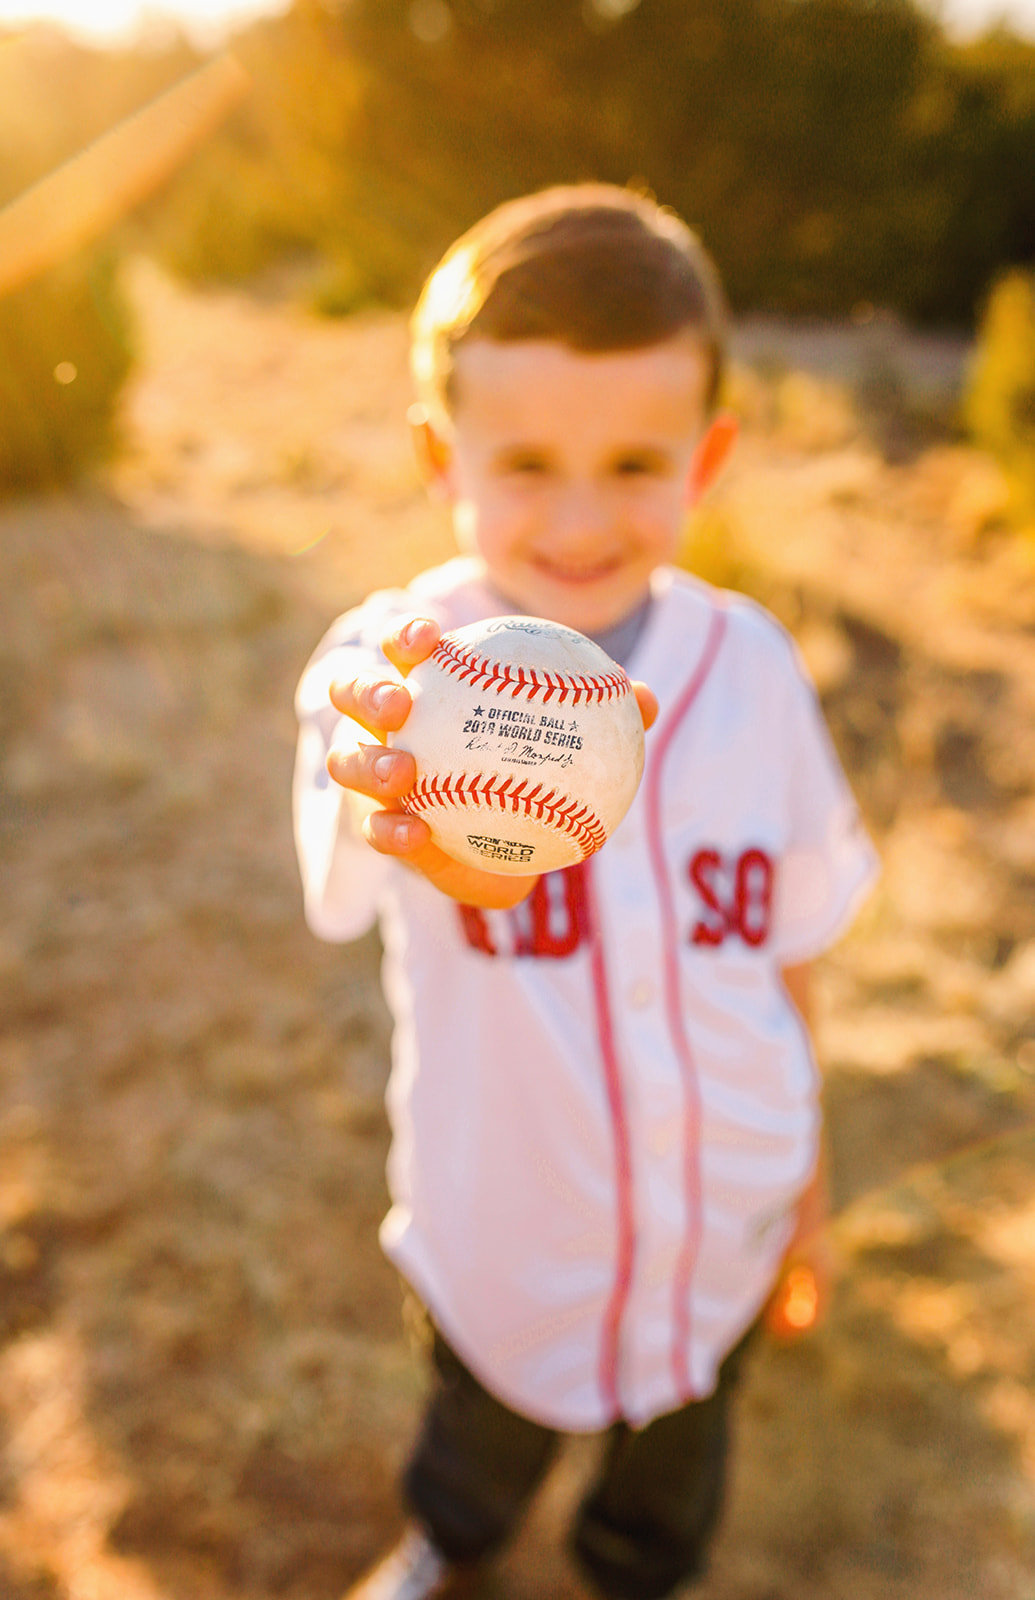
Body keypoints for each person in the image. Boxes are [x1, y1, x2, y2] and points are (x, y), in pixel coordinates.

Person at [292, 184, 878, 1600]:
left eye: (633, 462)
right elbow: (344, 838)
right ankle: (454, 1540)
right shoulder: (403, 673)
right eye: (527, 461)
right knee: (480, 1433)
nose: (577, 516)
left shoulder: (757, 673)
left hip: (720, 1215)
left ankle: (630, 1569)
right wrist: (386, 791)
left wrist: (805, 1184)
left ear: (709, 453)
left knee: (675, 1468)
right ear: (445, 455)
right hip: (513, 1226)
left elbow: (792, 950)